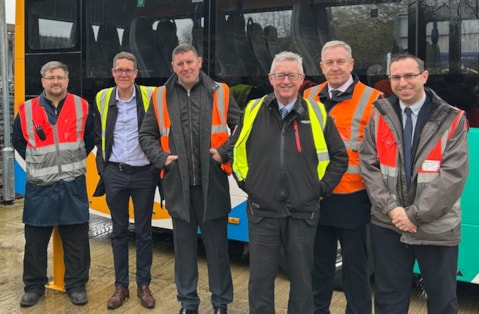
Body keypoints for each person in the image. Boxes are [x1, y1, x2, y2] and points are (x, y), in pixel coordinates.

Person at [232, 51, 347, 314]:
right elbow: (235, 152)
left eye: (292, 75)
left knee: (303, 281)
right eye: (280, 75)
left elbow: (339, 158)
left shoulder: (317, 113)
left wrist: (318, 190)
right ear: (271, 78)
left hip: (303, 212)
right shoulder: (252, 110)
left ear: (302, 79)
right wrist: (249, 185)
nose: (286, 81)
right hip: (263, 212)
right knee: (260, 281)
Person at [360, 53, 469, 314]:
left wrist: (414, 215)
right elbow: (369, 166)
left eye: (409, 75)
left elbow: (453, 176)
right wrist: (393, 210)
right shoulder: (379, 115)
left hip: (436, 228)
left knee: (442, 301)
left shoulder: (452, 118)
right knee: (389, 300)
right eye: (396, 77)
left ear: (424, 77)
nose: (403, 83)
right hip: (389, 226)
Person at [139, 43, 240, 314]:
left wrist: (224, 152)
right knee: (183, 251)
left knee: (218, 250)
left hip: (213, 185)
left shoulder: (220, 92)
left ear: (200, 62)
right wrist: (161, 158)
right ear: (173, 66)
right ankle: (188, 303)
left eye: (189, 62)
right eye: (180, 64)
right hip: (177, 185)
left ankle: (221, 303)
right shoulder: (160, 96)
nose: (185, 68)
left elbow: (242, 126)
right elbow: (146, 135)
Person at [303, 41, 383, 314]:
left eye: (340, 61)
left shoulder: (373, 99)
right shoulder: (309, 96)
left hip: (354, 197)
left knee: (356, 268)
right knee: (319, 265)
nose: (335, 67)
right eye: (329, 63)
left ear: (351, 64)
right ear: (321, 66)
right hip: (316, 196)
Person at [12, 61, 95, 307]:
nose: (55, 81)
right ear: (43, 81)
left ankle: (77, 284)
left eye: (60, 77)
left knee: (77, 239)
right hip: (40, 186)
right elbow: (19, 141)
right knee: (35, 241)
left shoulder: (82, 106)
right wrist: (42, 162)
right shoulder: (26, 110)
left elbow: (90, 139)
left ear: (67, 80)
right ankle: (34, 286)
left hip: (72, 183)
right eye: (50, 77)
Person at [93, 51, 158, 310]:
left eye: (128, 70)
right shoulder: (103, 97)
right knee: (119, 233)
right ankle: (121, 286)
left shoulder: (150, 96)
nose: (123, 74)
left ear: (136, 73)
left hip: (144, 174)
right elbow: (98, 134)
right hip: (115, 174)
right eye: (119, 70)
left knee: (144, 232)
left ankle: (144, 285)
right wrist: (104, 170)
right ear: (113, 73)